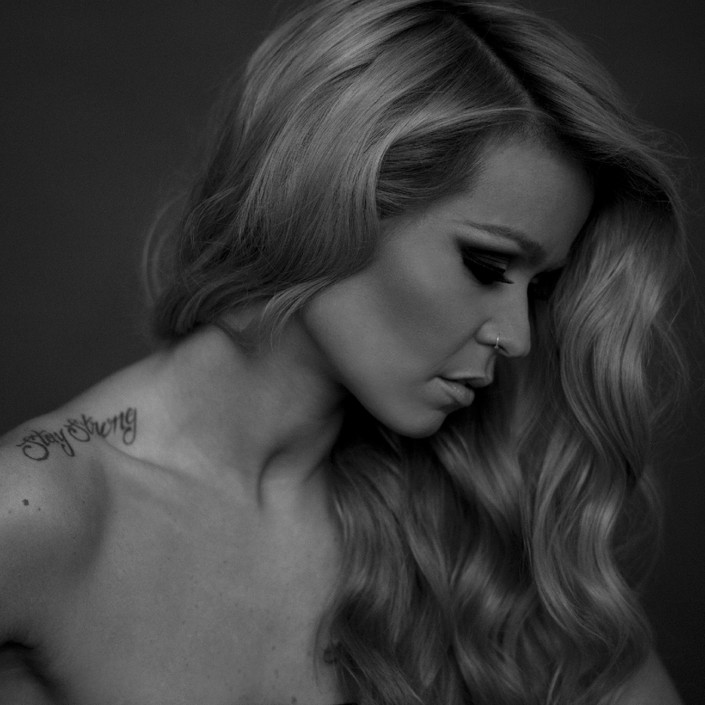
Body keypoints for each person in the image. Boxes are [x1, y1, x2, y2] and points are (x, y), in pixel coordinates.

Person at [0, 0, 688, 703]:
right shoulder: (36, 511)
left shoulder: (465, 526)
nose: (517, 338)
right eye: (485, 265)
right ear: (331, 193)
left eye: (538, 288)